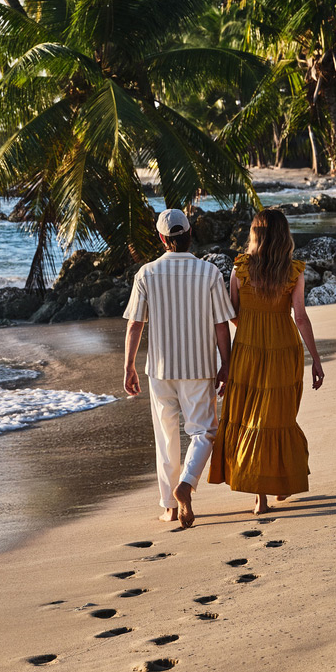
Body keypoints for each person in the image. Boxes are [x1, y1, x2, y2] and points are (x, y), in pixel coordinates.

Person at [209, 208, 327, 515]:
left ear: (255, 235)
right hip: (285, 350)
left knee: (251, 418)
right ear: (284, 236)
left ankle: (260, 497)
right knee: (276, 418)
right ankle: (280, 482)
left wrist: (252, 326)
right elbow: (300, 317)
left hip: (247, 351)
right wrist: (315, 359)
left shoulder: (240, 269)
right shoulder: (293, 271)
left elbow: (232, 313)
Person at [123, 208, 234, 529]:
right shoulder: (209, 273)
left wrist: (129, 366)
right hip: (199, 367)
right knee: (204, 432)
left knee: (166, 437)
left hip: (160, 369)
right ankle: (186, 482)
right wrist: (226, 363)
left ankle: (170, 508)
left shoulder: (146, 274)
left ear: (161, 238)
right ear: (190, 234)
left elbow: (135, 324)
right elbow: (222, 324)